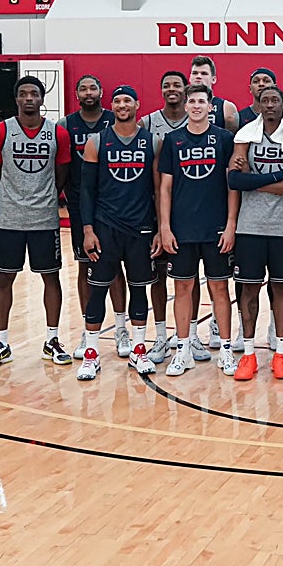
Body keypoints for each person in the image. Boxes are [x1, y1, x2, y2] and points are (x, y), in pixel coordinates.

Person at [0, 76, 71, 370]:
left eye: (34, 93)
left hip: (44, 218)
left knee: (50, 277)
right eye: (24, 94)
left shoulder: (56, 133)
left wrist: (43, 197)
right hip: (9, 219)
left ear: (42, 98)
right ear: (17, 99)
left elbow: (61, 174)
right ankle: (2, 341)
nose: (29, 98)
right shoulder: (0, 130)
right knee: (5, 279)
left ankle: (52, 339)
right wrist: (13, 196)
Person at [75, 86, 160, 380]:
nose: (122, 105)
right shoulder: (97, 141)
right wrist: (88, 230)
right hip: (105, 227)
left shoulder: (153, 142)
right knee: (97, 290)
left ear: (138, 104)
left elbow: (159, 191)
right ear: (111, 106)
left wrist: (160, 229)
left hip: (141, 228)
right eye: (118, 101)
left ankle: (138, 350)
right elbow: (85, 191)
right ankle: (91, 353)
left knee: (139, 289)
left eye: (127, 100)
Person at [228, 85, 283, 378]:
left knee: (282, 288)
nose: (271, 104)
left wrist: (254, 181)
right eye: (265, 100)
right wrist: (278, 177)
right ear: (258, 105)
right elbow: (234, 180)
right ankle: (248, 354)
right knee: (248, 290)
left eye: (276, 99)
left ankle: (280, 352)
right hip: (250, 227)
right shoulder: (245, 136)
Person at [159, 84, 239, 377]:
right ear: (186, 105)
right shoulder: (172, 140)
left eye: (201, 101)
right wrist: (165, 227)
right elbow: (164, 188)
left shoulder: (224, 139)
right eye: (191, 101)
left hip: (216, 228)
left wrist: (231, 225)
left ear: (210, 107)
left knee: (219, 288)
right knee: (183, 287)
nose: (195, 106)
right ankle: (183, 350)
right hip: (182, 229)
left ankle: (227, 351)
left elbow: (233, 185)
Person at [60, 75, 128, 360]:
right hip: (81, 207)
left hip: (114, 206)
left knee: (115, 269)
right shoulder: (65, 125)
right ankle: (89, 333)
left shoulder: (115, 121)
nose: (89, 92)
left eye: (93, 87)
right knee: (85, 267)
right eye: (83, 88)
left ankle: (122, 328)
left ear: (102, 91)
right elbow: (61, 166)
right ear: (76, 94)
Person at [140, 71, 201, 363]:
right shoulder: (149, 122)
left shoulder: (200, 122)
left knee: (189, 278)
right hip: (157, 209)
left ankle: (191, 334)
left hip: (190, 212)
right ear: (161, 90)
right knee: (160, 277)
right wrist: (158, 221)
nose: (171, 89)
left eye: (177, 85)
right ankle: (162, 337)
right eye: (166, 85)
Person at [188, 55, 239, 131]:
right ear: (190, 78)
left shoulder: (226, 107)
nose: (198, 76)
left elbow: (231, 140)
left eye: (204, 73)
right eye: (195, 73)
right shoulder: (180, 105)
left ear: (213, 79)